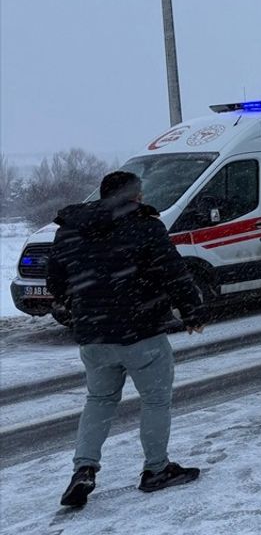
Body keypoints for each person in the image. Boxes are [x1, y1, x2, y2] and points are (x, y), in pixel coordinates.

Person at [46, 171, 205, 509]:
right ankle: (156, 470)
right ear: (134, 196)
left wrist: (82, 307)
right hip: (141, 331)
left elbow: (55, 282)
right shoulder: (146, 225)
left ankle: (84, 469)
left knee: (99, 400)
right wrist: (191, 310)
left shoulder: (70, 228)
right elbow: (173, 270)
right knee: (155, 401)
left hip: (93, 335)